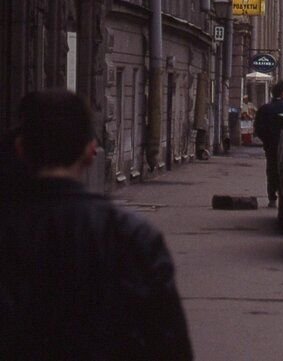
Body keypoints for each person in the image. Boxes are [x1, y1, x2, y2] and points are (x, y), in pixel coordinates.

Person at [0, 90, 192, 359]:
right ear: (91, 151)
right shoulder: (131, 235)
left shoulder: (10, 229)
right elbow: (169, 344)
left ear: (20, 149)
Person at [253, 81, 283, 207]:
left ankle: (272, 198)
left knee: (271, 169)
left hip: (271, 146)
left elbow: (258, 128)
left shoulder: (265, 108)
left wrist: (266, 140)